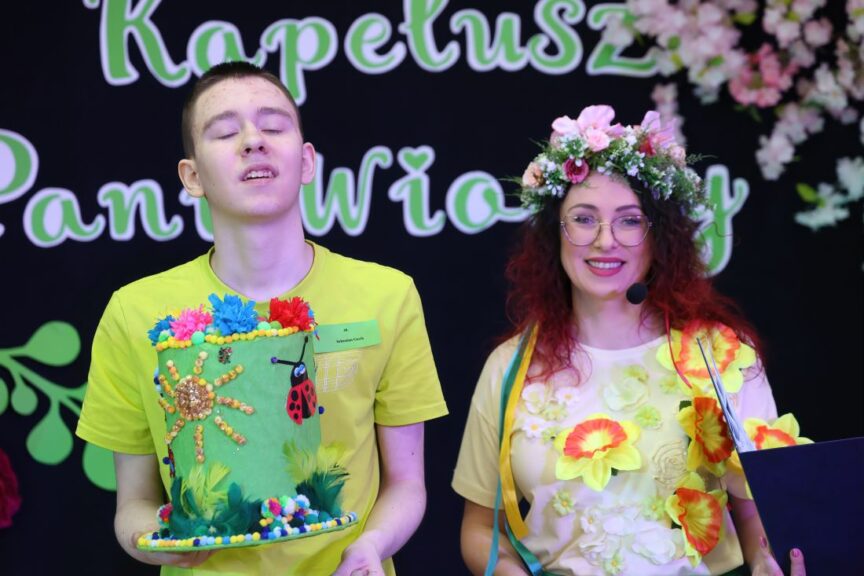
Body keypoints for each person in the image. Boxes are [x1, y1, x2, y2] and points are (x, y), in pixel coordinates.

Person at [76, 61, 448, 576]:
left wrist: (372, 546)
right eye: (225, 132)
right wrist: (157, 540)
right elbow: (133, 503)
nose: (253, 141)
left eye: (273, 126)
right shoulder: (134, 311)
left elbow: (406, 484)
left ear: (307, 160)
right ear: (192, 177)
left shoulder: (388, 294)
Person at [452, 105, 807, 575]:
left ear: (659, 236)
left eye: (630, 220)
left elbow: (761, 508)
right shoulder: (511, 366)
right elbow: (482, 528)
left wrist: (766, 560)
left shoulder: (719, 354)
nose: (605, 241)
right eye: (583, 219)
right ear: (554, 232)